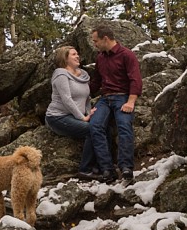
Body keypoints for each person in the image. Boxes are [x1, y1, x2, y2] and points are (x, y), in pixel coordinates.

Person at [88, 25, 142, 182]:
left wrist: (131, 102)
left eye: (96, 41)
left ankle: (126, 167)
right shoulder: (100, 57)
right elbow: (96, 82)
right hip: (105, 99)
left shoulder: (127, 55)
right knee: (95, 126)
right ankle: (107, 169)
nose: (94, 44)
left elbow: (135, 80)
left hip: (123, 97)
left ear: (105, 39)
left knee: (124, 126)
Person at [44, 45, 99, 177]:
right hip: (57, 117)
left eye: (77, 54)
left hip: (75, 116)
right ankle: (85, 169)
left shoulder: (84, 75)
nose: (77, 56)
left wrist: (88, 113)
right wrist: (83, 118)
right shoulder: (60, 74)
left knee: (99, 127)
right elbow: (66, 99)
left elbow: (86, 98)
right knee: (91, 129)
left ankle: (99, 165)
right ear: (65, 58)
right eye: (73, 54)